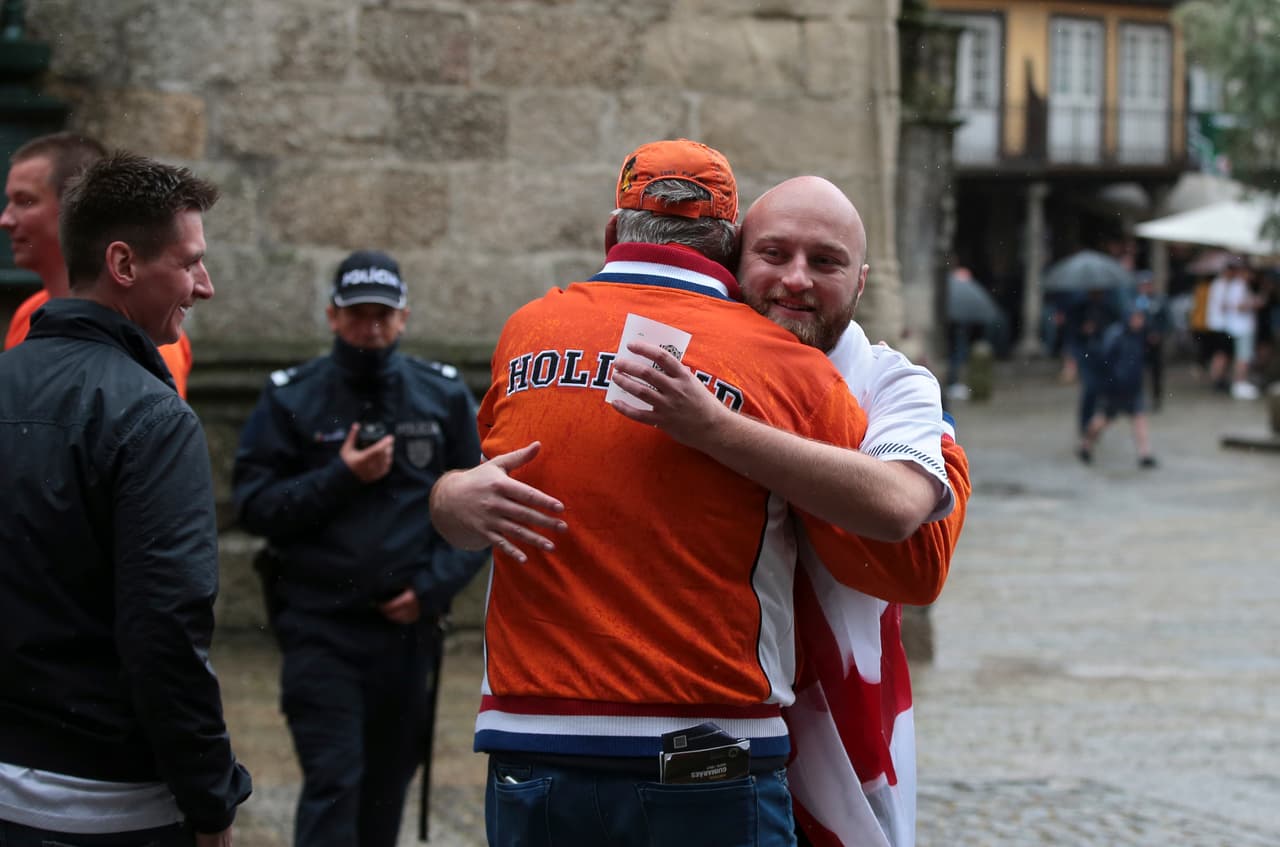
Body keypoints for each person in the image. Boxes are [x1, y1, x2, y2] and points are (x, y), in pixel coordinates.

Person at [432, 173, 970, 847]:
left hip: (824, 736)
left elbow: (913, 552)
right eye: (774, 254)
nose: (796, 280)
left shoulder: (893, 383)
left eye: (825, 261)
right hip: (675, 734)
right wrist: (449, 496)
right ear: (730, 260)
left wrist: (716, 427)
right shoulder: (652, 351)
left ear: (861, 281)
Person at [0, 152, 251, 844]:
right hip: (109, 808)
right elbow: (166, 633)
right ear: (123, 263)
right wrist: (212, 798)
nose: (206, 286)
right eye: (190, 261)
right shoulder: (153, 418)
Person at [231, 250, 489, 847]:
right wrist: (341, 476)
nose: (370, 329)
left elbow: (479, 511)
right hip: (320, 627)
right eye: (357, 315)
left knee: (388, 781)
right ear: (332, 316)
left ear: (403, 318)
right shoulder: (290, 396)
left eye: (382, 315)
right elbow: (256, 506)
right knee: (334, 777)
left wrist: (430, 589)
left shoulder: (442, 396)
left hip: (407, 634)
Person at [1, 132, 196, 397]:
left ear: (74, 209)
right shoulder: (30, 314)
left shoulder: (154, 340)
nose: (6, 220)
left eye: (25, 201)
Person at [1077, 307, 1157, 468]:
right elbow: (1103, 359)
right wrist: (1109, 381)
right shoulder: (1115, 335)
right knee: (1103, 420)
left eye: (1141, 318)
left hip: (1133, 387)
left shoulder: (1141, 335)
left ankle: (1144, 454)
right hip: (1115, 387)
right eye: (1136, 317)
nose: (1139, 321)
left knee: (1139, 418)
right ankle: (1085, 445)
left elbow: (1143, 360)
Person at [1133, 270, 1171, 411]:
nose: (1146, 287)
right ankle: (1138, 398)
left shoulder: (1160, 300)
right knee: (1137, 371)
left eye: (1148, 284)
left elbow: (1168, 321)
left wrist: (1159, 333)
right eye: (1143, 285)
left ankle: (1156, 399)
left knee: (1156, 372)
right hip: (1137, 343)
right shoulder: (1134, 301)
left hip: (1155, 343)